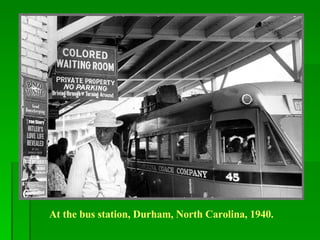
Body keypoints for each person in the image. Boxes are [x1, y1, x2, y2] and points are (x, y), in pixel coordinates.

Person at [66, 110, 126, 198]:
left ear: (114, 129)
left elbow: (120, 181)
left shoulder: (115, 151)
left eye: (106, 130)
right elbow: (73, 192)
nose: (101, 135)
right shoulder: (85, 151)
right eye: (98, 130)